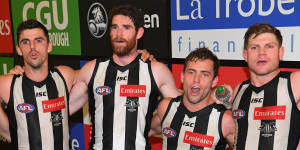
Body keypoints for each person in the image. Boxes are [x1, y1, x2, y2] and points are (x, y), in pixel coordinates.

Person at [69, 4, 181, 150]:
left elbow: (179, 112)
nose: (119, 34)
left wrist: (149, 128)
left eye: (126, 28)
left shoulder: (156, 70)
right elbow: (63, 111)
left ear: (139, 33)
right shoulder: (92, 69)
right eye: (114, 27)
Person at [0, 19, 77, 149]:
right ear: (19, 50)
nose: (32, 47)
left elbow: (92, 78)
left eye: (38, 40)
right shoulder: (7, 84)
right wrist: (9, 132)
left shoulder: (64, 76)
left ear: (49, 46)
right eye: (25, 42)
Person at [231, 23, 300, 150]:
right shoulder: (239, 90)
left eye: (269, 46)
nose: (261, 53)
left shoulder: (295, 82)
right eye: (254, 47)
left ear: (281, 52)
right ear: (245, 55)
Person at [151, 48, 235, 150]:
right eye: (191, 72)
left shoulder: (225, 120)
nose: (196, 80)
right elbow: (140, 131)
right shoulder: (166, 107)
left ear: (214, 81)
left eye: (204, 74)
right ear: (182, 76)